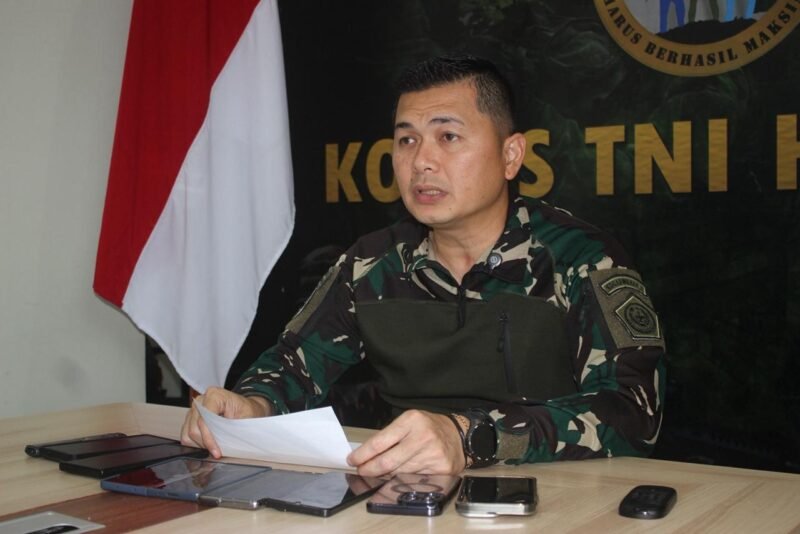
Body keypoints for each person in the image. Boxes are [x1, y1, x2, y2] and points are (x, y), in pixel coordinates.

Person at [181, 55, 666, 477]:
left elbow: (632, 412)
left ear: (511, 155)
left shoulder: (582, 258)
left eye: (448, 136)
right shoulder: (371, 263)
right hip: (408, 500)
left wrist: (470, 436)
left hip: (554, 499)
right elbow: (292, 365)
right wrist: (251, 406)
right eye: (407, 141)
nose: (422, 162)